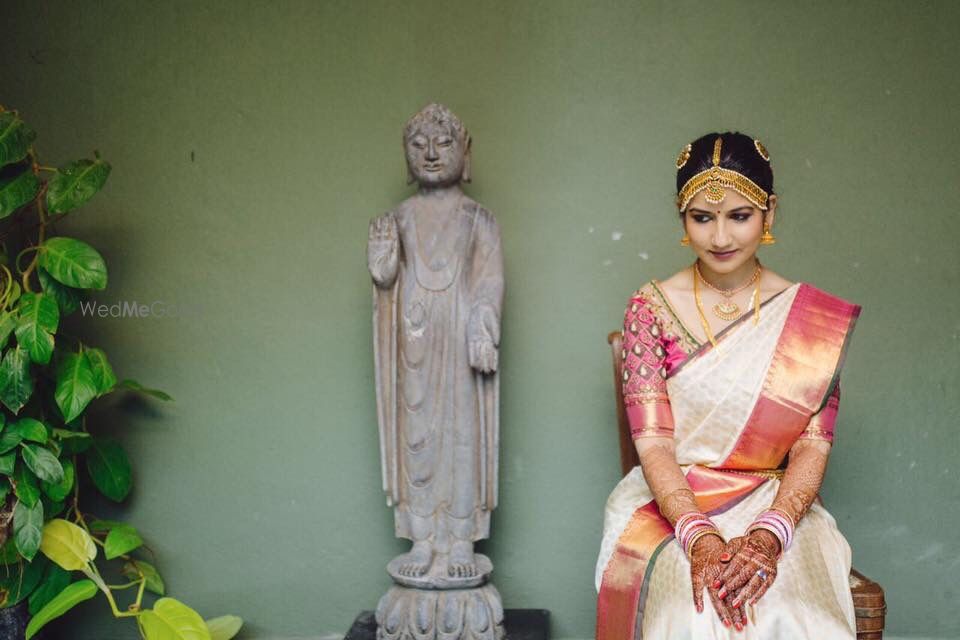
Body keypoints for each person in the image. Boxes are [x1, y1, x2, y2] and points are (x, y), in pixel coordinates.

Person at [595, 132, 861, 639]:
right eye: (702, 217)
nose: (720, 237)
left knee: (797, 615)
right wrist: (700, 540)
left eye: (739, 216)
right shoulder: (650, 310)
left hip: (777, 503)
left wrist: (768, 536)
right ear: (681, 217)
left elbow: (811, 445)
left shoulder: (808, 320)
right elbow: (652, 446)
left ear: (770, 213)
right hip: (672, 505)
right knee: (692, 614)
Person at [368, 103, 504, 581]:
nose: (430, 153)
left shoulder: (479, 219)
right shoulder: (398, 218)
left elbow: (489, 281)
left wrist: (482, 323)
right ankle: (424, 538)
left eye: (443, 143)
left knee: (462, 437)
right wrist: (381, 262)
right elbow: (386, 279)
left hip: (462, 342)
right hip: (415, 342)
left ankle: (461, 538)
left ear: (465, 153)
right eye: (418, 144)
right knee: (418, 438)